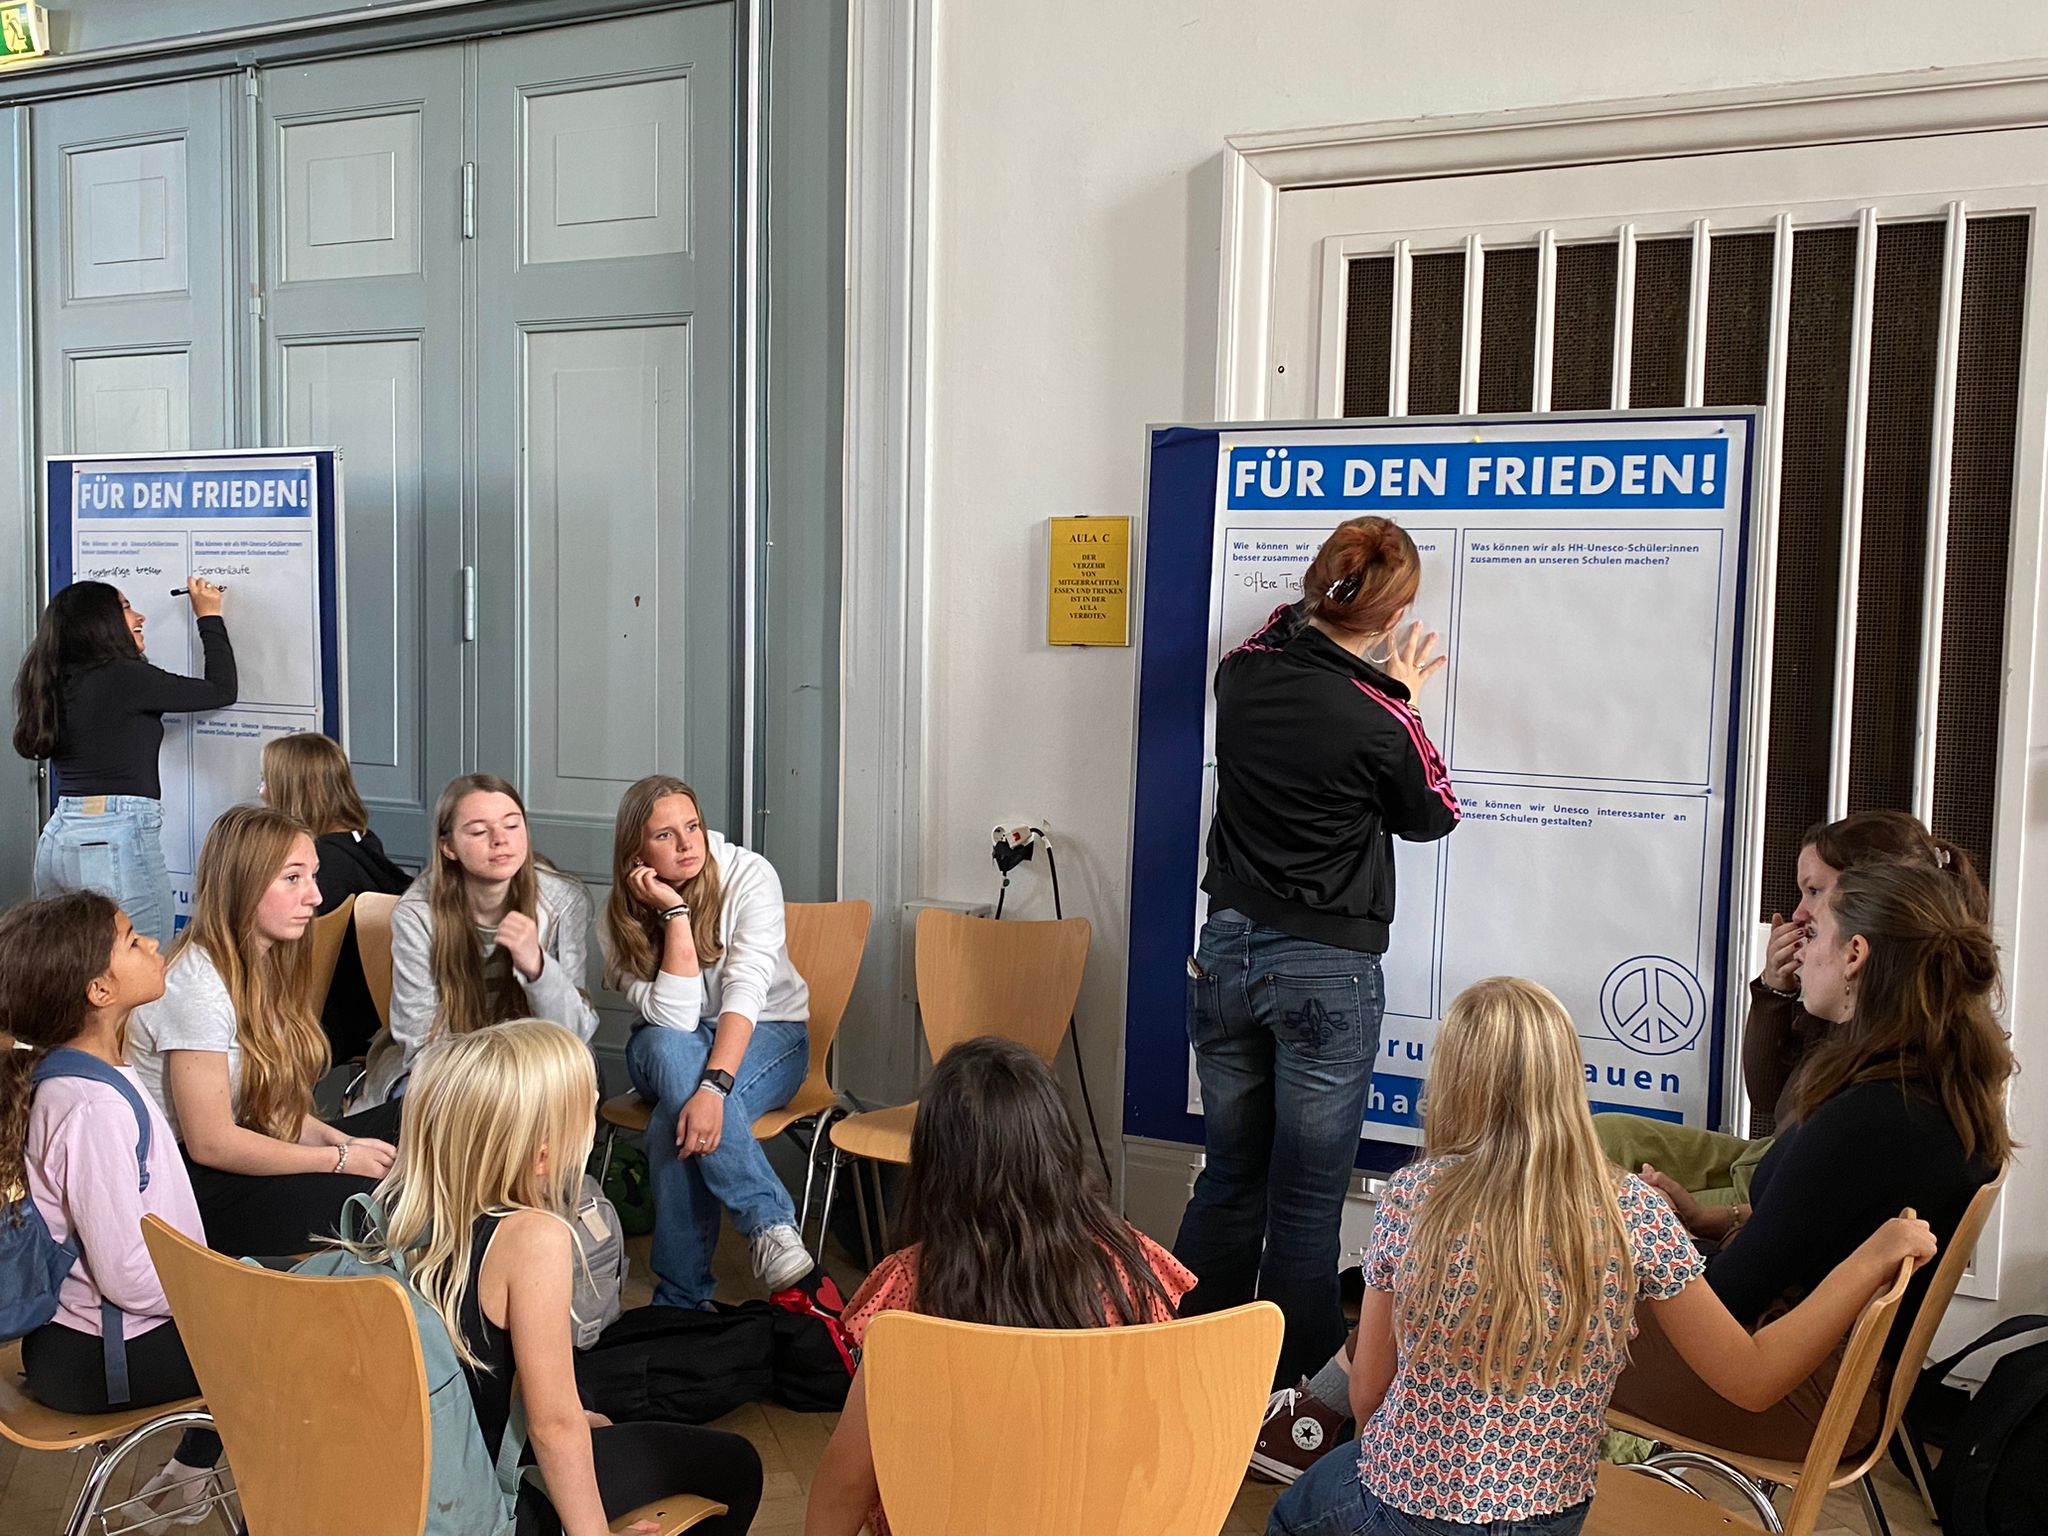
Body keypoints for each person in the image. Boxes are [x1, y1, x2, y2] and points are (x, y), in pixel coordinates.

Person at [1266, 977, 1938, 1536]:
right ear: (1568, 1080)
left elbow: (1368, 1390)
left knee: (1291, 1517)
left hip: (1410, 1500)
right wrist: (1872, 1258)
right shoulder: (1634, 1211)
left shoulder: (1414, 1197)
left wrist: (1397, 1465)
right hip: (1552, 1512)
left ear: (1451, 1083)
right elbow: (1754, 1379)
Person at [1175, 515, 1460, 1385]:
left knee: (1229, 1175)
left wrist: (1334, 622)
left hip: (1225, 952)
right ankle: (1291, 1400)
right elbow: (1434, 813)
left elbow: (1277, 627)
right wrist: (1401, 694)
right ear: (1392, 616)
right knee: (1303, 1203)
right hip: (1325, 972)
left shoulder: (1241, 674)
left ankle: (1186, 1372)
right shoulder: (1379, 717)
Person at [1608, 858, 2012, 1459]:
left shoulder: (1869, 1116)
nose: (1801, 950)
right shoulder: (1936, 1084)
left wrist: (1636, 1234)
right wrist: (1701, 1221)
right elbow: (1824, 1230)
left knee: (1519, 1307)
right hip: (1826, 1380)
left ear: (1855, 955)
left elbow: (1728, 1300)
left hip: (1794, 1397)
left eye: (1815, 932)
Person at [339, 1019, 762, 1536]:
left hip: (384, 1494)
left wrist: (576, 1417)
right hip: (481, 1507)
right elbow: (553, 1426)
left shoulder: (390, 1215)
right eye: (585, 1118)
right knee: (735, 1466)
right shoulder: (532, 1238)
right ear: (543, 1157)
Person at [805, 1037, 1195, 1536]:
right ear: (1061, 1149)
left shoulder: (908, 1289)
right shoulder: (1133, 1262)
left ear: (934, 1167)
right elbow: (1161, 1436)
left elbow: (846, 1482)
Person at [1592, 810, 1987, 1209]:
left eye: (1814, 891)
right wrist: (1774, 990)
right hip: (1768, 1158)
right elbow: (1770, 1098)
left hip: (1778, 1176)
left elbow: (1777, 1216)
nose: (1798, 914)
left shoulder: (1882, 1062)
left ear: (1869, 900)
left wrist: (1685, 1217)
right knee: (1606, 1136)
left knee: (1615, 1201)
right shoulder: (1851, 1008)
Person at [1, 891, 226, 1526]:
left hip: (96, 1342)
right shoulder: (90, 1106)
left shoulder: (90, 1075)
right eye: (131, 940)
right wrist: (224, 1290)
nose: (152, 943)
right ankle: (203, 1482)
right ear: (99, 990)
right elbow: (127, 1274)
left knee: (302, 1305)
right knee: (308, 1336)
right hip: (98, 1355)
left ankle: (188, 1478)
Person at [127, 804, 402, 1257]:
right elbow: (211, 1143)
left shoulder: (264, 964)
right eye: (293, 878)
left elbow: (273, 1111)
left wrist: (343, 1143)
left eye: (312, 876)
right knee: (387, 1197)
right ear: (243, 886)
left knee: (419, 1116)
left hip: (232, 1152)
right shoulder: (197, 985)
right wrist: (337, 1160)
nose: (315, 896)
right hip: (187, 1186)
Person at [603, 774, 813, 1305]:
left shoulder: (749, 875)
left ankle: (681, 1299)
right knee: (671, 1050)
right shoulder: (620, 917)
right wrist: (675, 915)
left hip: (769, 1032)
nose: (687, 843)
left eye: (692, 826)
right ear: (636, 853)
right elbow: (675, 1021)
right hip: (665, 1046)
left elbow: (747, 989)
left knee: (674, 1120)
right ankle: (769, 1225)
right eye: (665, 835)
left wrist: (713, 1089)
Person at [12, 578, 235, 944]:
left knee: (73, 970)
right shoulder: (123, 676)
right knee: (145, 961)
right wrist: (208, 616)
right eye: (127, 608)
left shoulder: (55, 677)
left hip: (59, 838)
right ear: (100, 623)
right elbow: (222, 690)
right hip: (113, 840)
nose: (140, 616)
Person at [360, 774, 597, 1107]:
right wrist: (493, 1087)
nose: (500, 840)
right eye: (478, 831)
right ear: (449, 847)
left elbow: (574, 1034)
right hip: (447, 1074)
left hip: (535, 1068)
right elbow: (422, 1043)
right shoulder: (417, 913)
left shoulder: (563, 902)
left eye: (511, 825)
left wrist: (538, 968)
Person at [259, 731, 411, 1061]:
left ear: (290, 792)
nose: (261, 792)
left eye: (266, 781)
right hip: (376, 1013)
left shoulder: (319, 868)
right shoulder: (363, 841)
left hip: (328, 1023)